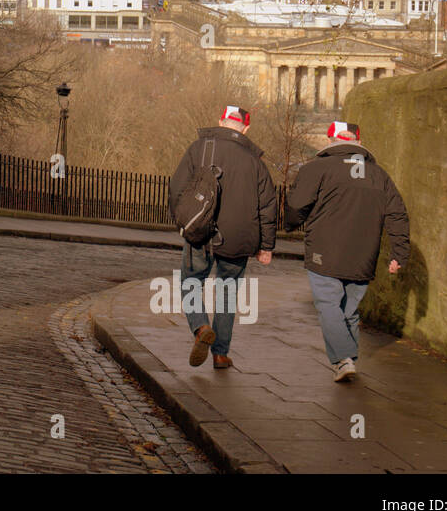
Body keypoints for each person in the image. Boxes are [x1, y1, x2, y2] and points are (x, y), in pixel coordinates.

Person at [284, 121, 410, 383]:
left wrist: (290, 224)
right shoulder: (379, 175)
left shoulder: (316, 168)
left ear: (331, 141)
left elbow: (296, 205)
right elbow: (397, 214)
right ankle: (349, 359)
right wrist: (399, 252)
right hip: (364, 254)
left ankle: (342, 358)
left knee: (328, 304)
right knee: (349, 308)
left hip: (325, 250)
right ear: (358, 142)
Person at [169, 105, 278, 370]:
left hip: (202, 233)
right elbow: (268, 206)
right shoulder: (256, 162)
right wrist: (266, 246)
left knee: (192, 281)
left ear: (220, 121)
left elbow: (176, 188)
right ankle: (220, 354)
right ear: (246, 128)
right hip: (239, 239)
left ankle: (200, 326)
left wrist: (183, 221)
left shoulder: (200, 148)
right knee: (227, 293)